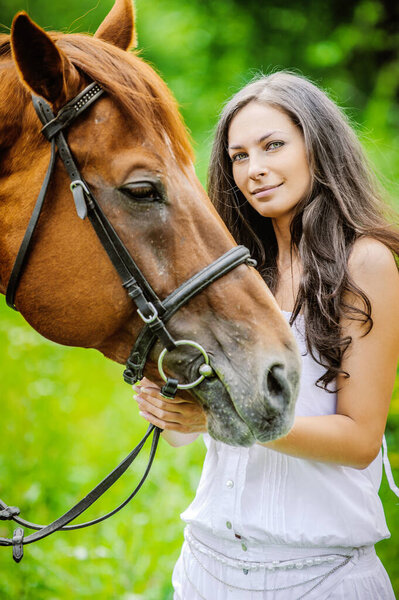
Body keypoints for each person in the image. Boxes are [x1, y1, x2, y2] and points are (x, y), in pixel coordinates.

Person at [133, 71, 399, 599]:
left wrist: (222, 416)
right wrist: (173, 408)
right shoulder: (232, 272)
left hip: (320, 576)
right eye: (238, 156)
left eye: (272, 146)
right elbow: (189, 436)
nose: (254, 170)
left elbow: (360, 440)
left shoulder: (365, 263)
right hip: (206, 570)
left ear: (317, 147)